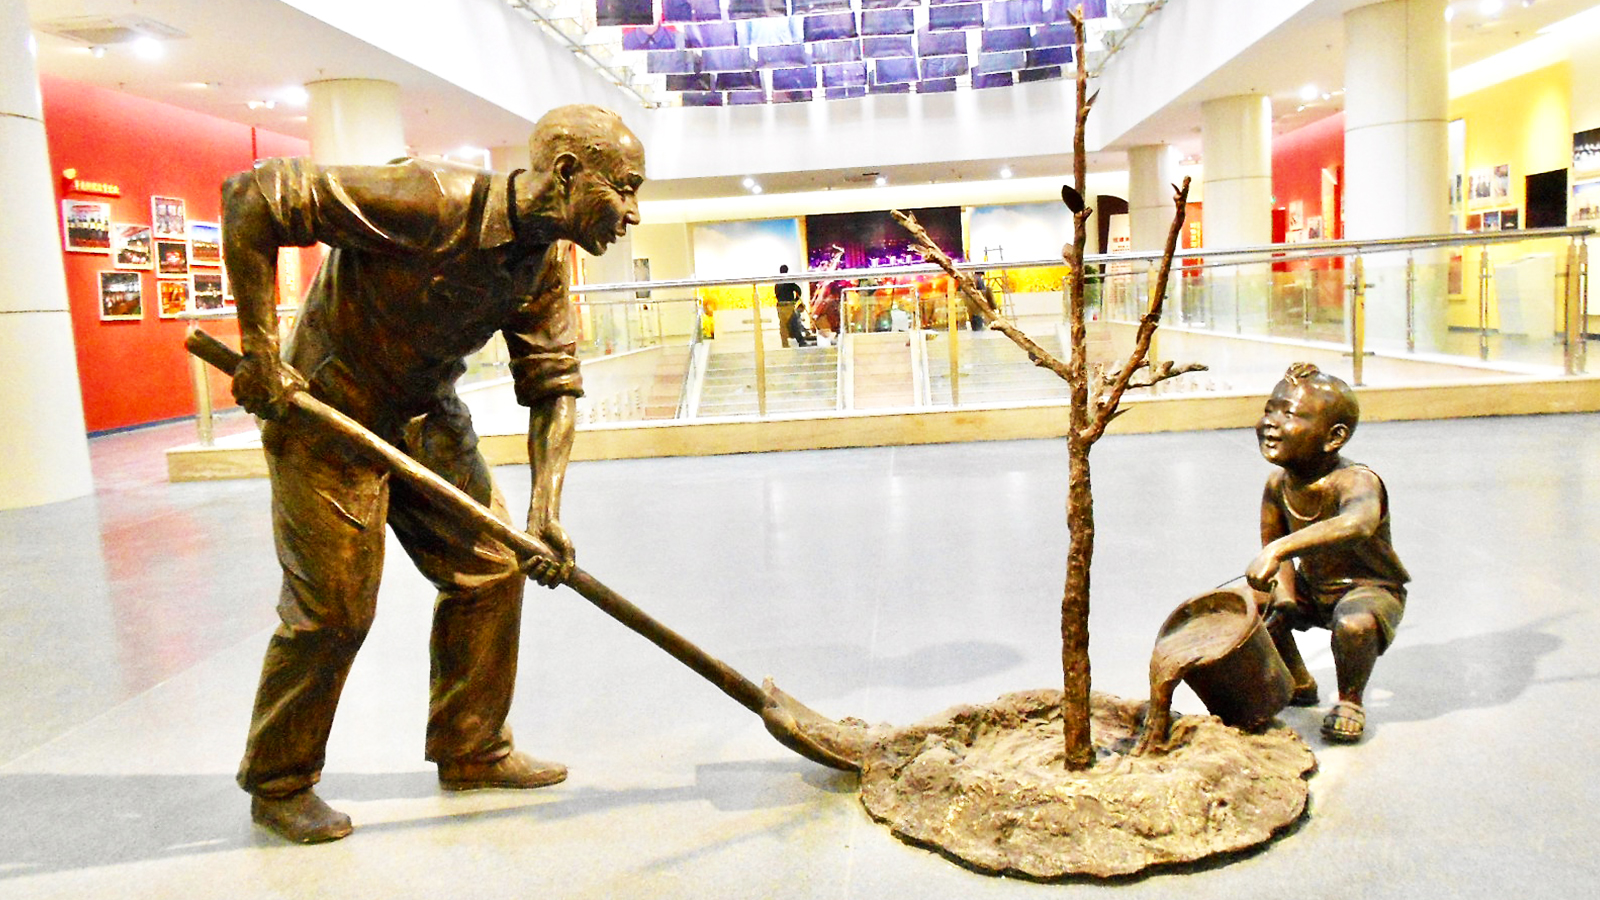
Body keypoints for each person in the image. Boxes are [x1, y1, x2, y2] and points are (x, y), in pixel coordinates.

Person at [222, 104, 645, 843]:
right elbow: (254, 196)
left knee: (492, 566)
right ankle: (279, 780)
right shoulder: (430, 199)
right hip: (326, 416)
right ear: (569, 173)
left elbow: (553, 386)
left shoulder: (542, 265)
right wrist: (260, 349)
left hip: (425, 418)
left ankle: (471, 746)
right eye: (627, 188)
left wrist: (544, 512)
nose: (634, 213)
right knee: (334, 612)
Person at [1245, 362, 1409, 744]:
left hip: (1368, 589)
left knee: (1354, 625)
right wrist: (1282, 595)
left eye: (1290, 414)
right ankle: (1298, 681)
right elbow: (1275, 553)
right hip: (1313, 587)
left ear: (1334, 437)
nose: (1271, 422)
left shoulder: (1356, 480)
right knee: (1254, 606)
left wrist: (1280, 548)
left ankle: (1350, 701)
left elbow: (1358, 523)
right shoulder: (1278, 484)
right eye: (1270, 409)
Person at [775, 265, 803, 348]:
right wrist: (795, 300)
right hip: (788, 305)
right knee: (794, 323)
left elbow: (777, 294)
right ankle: (801, 342)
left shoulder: (778, 283)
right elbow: (799, 291)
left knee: (783, 326)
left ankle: (785, 343)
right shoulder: (789, 281)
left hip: (780, 306)